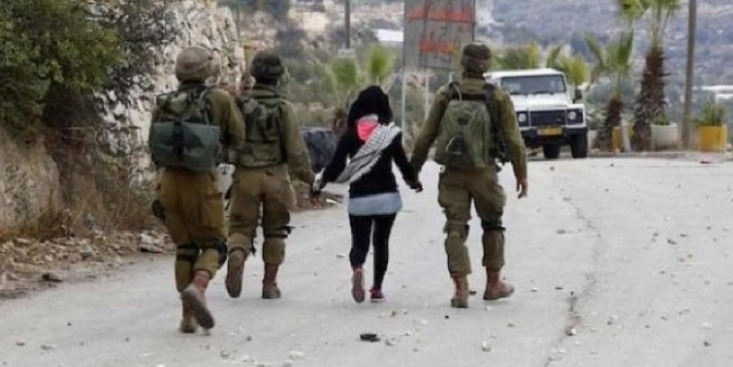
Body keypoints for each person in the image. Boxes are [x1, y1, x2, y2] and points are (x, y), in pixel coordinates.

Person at [410, 42, 528, 309]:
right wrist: (521, 174)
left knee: (455, 227)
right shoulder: (497, 97)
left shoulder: (447, 94)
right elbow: (513, 140)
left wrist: (413, 169)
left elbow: (425, 136)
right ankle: (493, 284)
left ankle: (461, 289)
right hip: (484, 171)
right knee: (493, 223)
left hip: (452, 172)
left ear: (462, 63)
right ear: (487, 65)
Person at [149, 46, 245, 332]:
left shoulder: (164, 102)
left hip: (168, 183)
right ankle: (199, 287)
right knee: (216, 244)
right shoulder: (219, 99)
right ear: (207, 70)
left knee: (185, 247)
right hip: (202, 182)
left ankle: (187, 316)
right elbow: (238, 137)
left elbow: (154, 144)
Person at [312, 86, 422, 303]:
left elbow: (336, 166)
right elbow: (403, 164)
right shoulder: (390, 134)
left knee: (359, 241)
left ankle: (358, 268)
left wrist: (320, 182)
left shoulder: (349, 135)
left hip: (360, 199)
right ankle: (377, 289)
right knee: (381, 242)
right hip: (387, 198)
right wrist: (413, 181)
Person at [225, 50, 315, 300]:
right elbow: (296, 150)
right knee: (276, 230)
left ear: (254, 74)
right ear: (279, 76)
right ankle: (269, 284)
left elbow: (227, 140)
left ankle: (237, 254)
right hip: (276, 176)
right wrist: (310, 178)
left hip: (245, 176)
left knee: (240, 227)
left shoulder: (238, 105)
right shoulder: (284, 108)